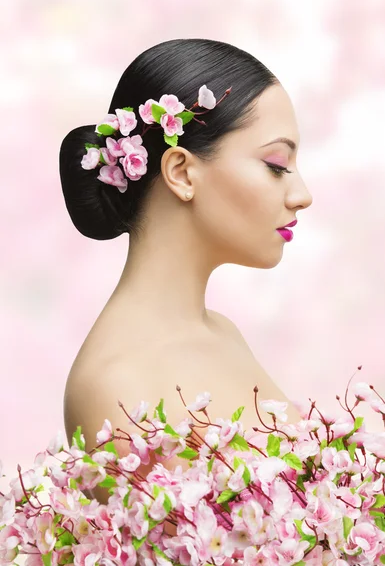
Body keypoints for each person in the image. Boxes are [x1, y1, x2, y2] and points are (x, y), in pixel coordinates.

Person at [58, 39, 313, 519]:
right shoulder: (114, 385)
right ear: (180, 171)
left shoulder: (222, 333)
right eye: (277, 166)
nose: (302, 194)